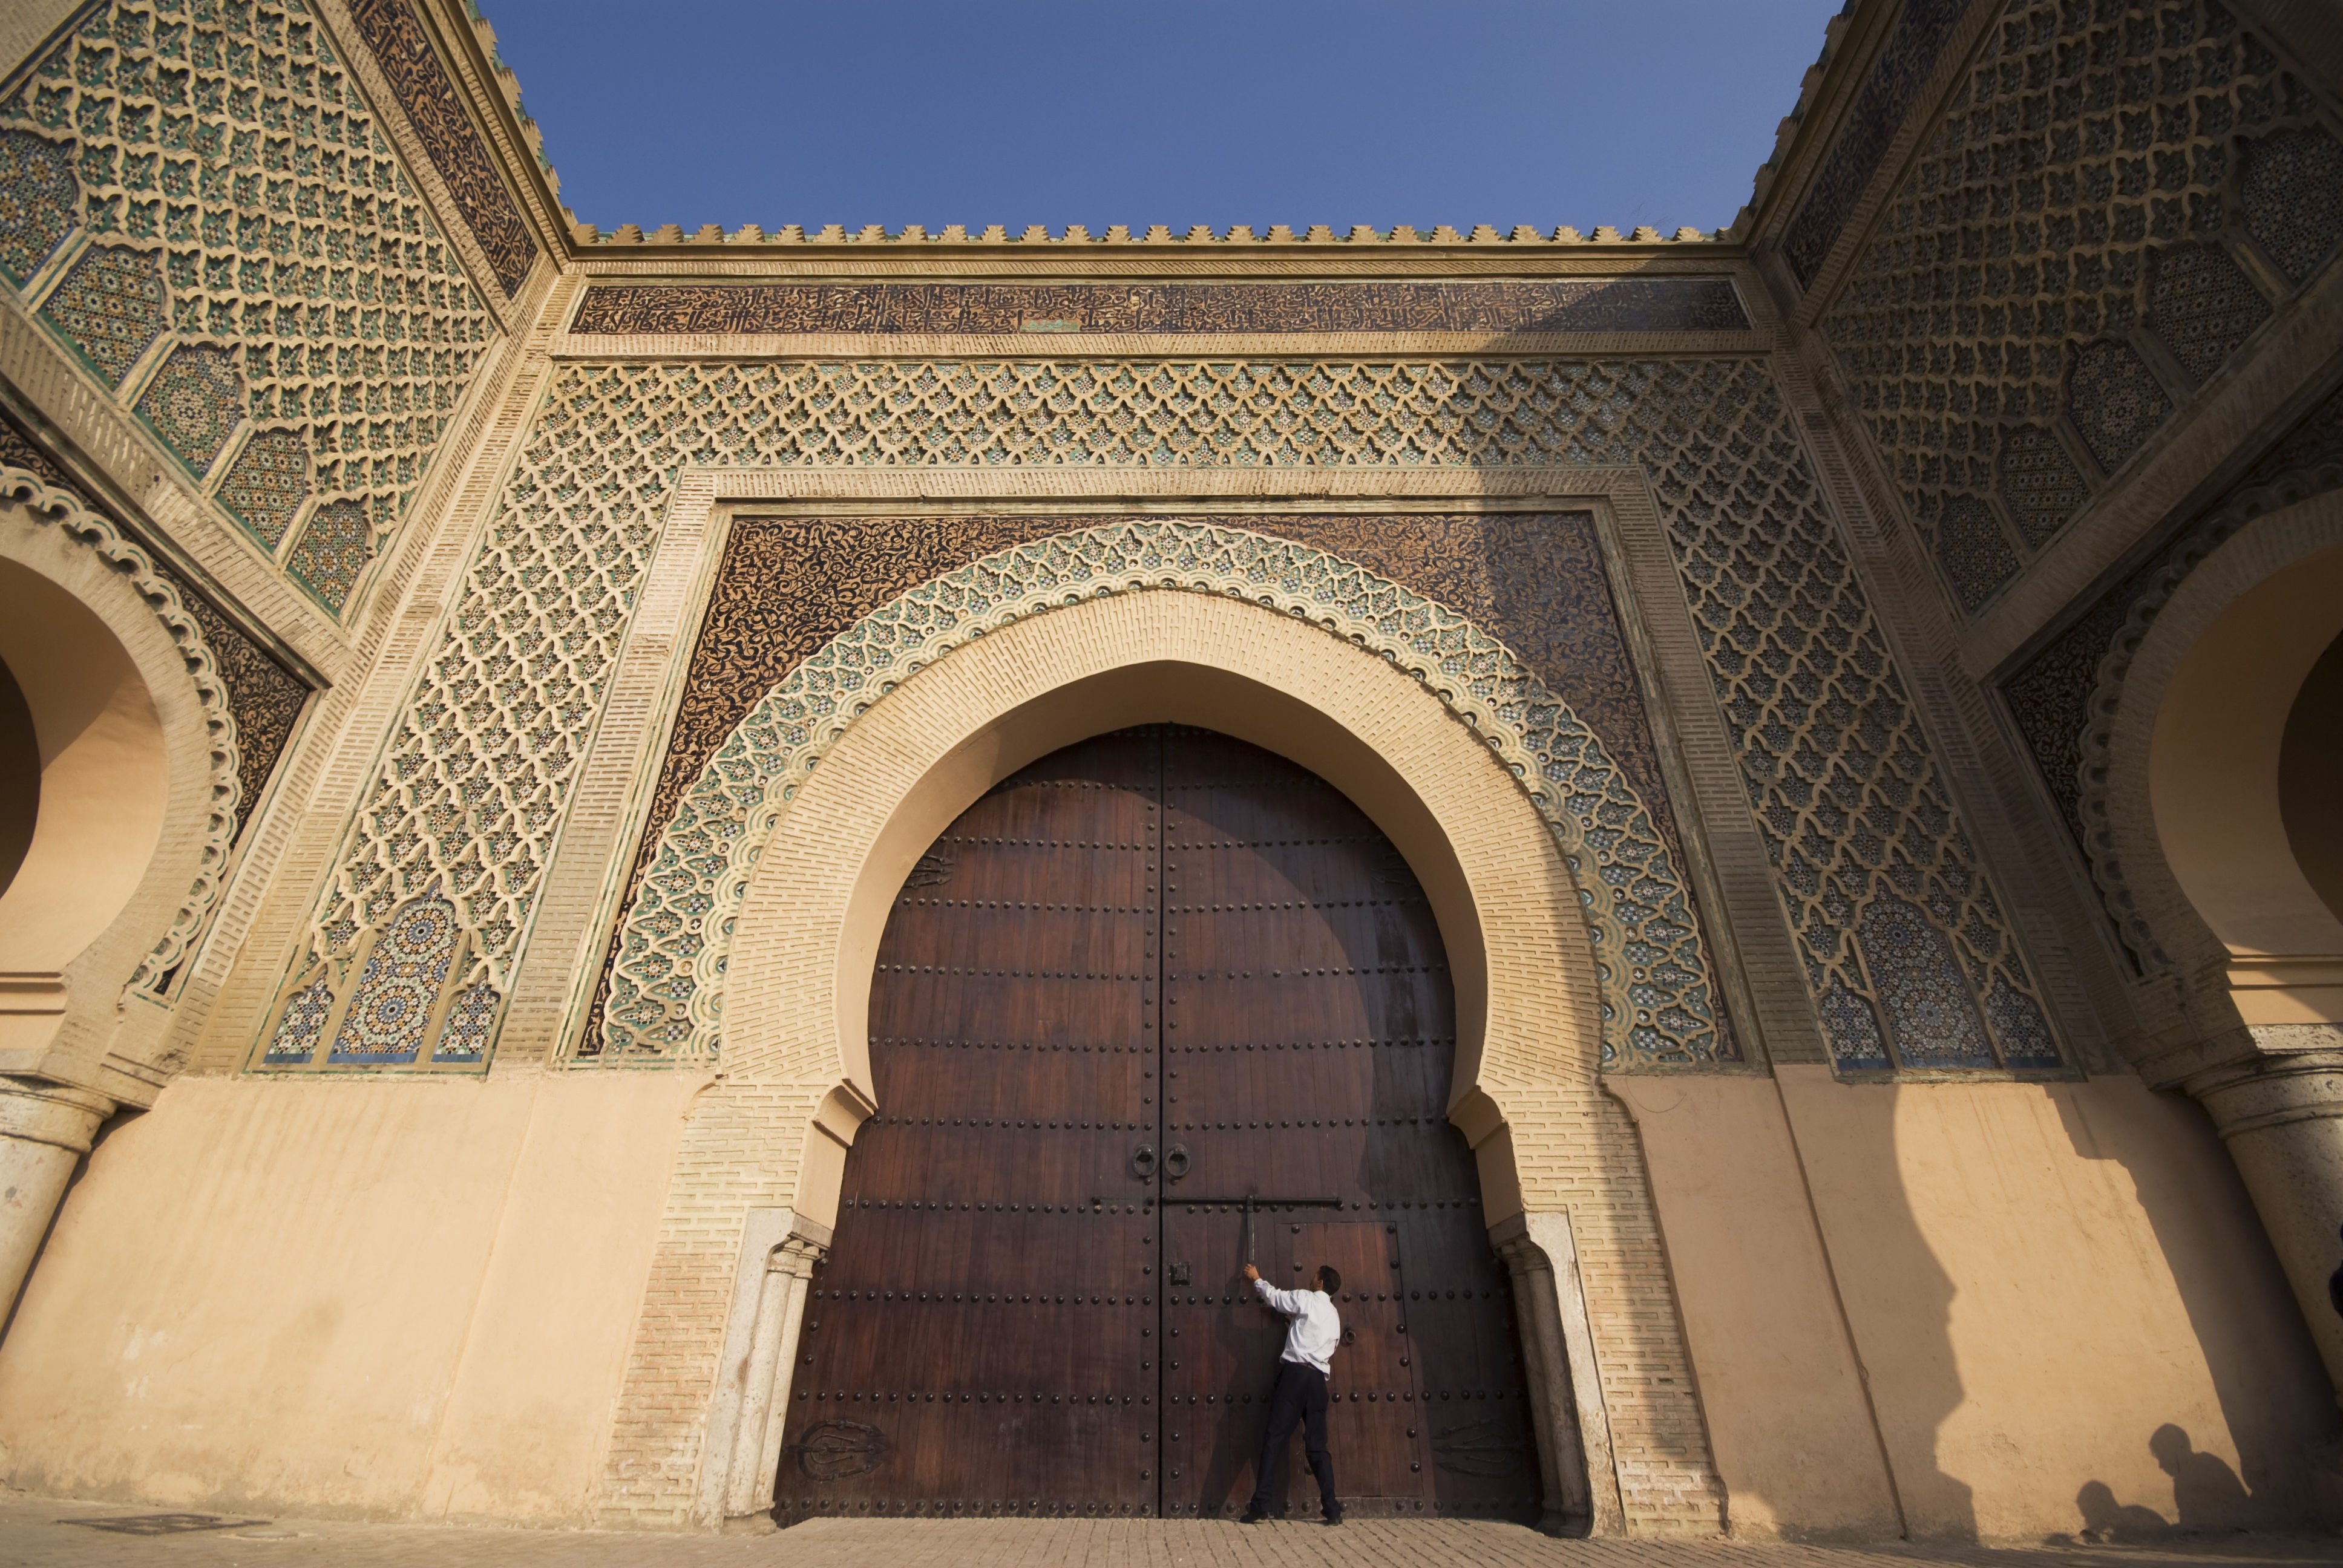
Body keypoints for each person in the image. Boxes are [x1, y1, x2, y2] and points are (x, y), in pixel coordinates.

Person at [1237, 1260, 1343, 1526]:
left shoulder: (1306, 1299)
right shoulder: (1334, 1315)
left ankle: (1261, 1505)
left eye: (1314, 1276)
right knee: (1318, 1448)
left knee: (1275, 1438)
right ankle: (1332, 1510)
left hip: (1295, 1377)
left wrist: (1257, 1278)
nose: (1311, 1279)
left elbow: (1277, 1298)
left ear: (1320, 1282)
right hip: (1318, 1381)